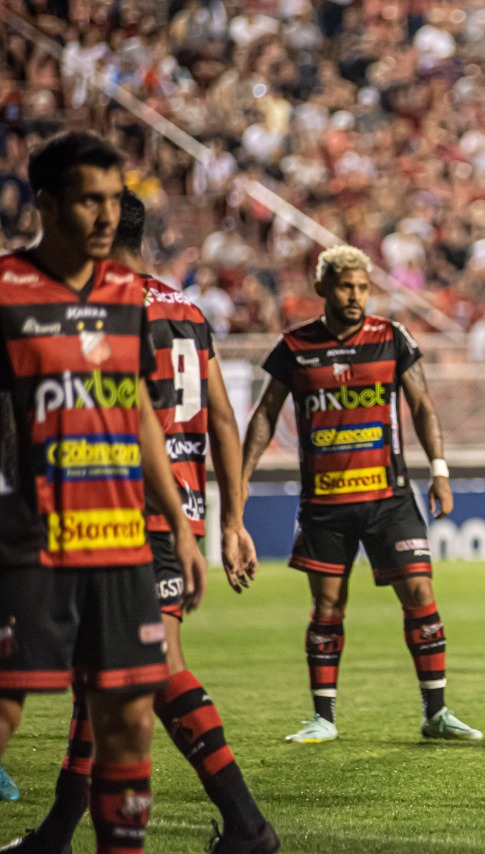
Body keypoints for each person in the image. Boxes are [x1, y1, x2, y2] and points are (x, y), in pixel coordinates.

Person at [5, 189, 279, 854]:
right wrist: (232, 517)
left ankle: (247, 825)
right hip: (177, 509)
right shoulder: (187, 310)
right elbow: (219, 415)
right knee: (101, 676)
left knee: (151, 669)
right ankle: (58, 834)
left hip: (120, 513)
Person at [0, 131, 207, 851]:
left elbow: (140, 412)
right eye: (90, 201)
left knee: (130, 719)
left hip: (122, 543)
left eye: (115, 202)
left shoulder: (128, 296)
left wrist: (181, 524)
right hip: (35, 540)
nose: (107, 217)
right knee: (6, 712)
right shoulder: (6, 290)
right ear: (48, 204)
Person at [241, 245, 481, 744]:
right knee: (328, 606)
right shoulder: (295, 346)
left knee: (420, 593)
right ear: (322, 288)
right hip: (325, 503)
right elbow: (265, 414)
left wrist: (439, 470)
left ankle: (436, 712)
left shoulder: (391, 337)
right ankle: (323, 717)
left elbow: (422, 406)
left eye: (363, 288)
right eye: (346, 287)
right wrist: (242, 476)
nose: (355, 296)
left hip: (389, 497)